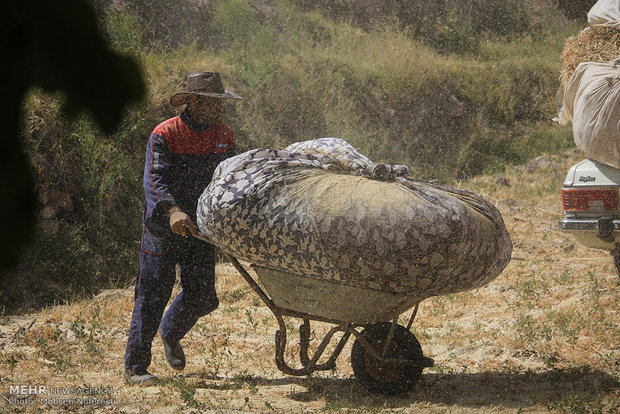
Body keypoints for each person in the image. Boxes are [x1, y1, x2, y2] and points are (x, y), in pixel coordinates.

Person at [124, 72, 241, 384]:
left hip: (200, 229)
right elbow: (155, 179)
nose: (219, 107)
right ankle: (136, 368)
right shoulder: (165, 134)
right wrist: (173, 210)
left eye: (221, 102)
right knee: (151, 297)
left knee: (205, 297)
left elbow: (229, 180)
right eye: (213, 101)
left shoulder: (224, 135)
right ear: (193, 101)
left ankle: (171, 332)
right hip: (164, 229)